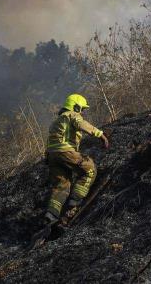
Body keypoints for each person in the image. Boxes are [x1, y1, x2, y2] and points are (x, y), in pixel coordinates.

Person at [44, 93, 109, 224]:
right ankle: (75, 202)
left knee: (61, 185)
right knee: (90, 169)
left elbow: (50, 141)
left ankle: (51, 216)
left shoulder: (57, 121)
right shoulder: (72, 115)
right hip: (66, 151)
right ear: (76, 107)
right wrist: (100, 134)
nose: (83, 112)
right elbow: (81, 124)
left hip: (52, 156)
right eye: (82, 109)